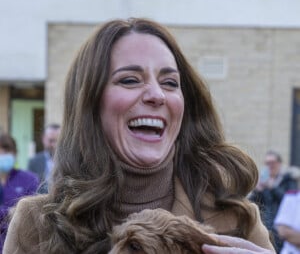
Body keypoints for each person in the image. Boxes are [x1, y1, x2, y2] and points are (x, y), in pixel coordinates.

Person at [3, 18, 275, 253]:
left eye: (170, 83)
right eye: (130, 80)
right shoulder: (36, 224)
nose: (157, 95)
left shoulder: (237, 217)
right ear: (90, 103)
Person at [249, 151, 298, 252]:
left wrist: (273, 188)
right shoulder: (263, 181)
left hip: (283, 232)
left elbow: (290, 201)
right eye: (267, 163)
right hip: (266, 228)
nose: (270, 166)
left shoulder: (288, 180)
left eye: (272, 162)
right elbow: (252, 204)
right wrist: (256, 191)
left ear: (279, 163)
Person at [0, 133, 39, 252]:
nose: (2, 156)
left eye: (6, 152)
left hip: (19, 246)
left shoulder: (29, 179)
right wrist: (12, 212)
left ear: (15, 154)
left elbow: (32, 213)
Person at [28, 123, 60, 193]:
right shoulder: (34, 161)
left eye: (58, 141)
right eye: (51, 141)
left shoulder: (68, 161)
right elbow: (29, 186)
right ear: (43, 139)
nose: (54, 145)